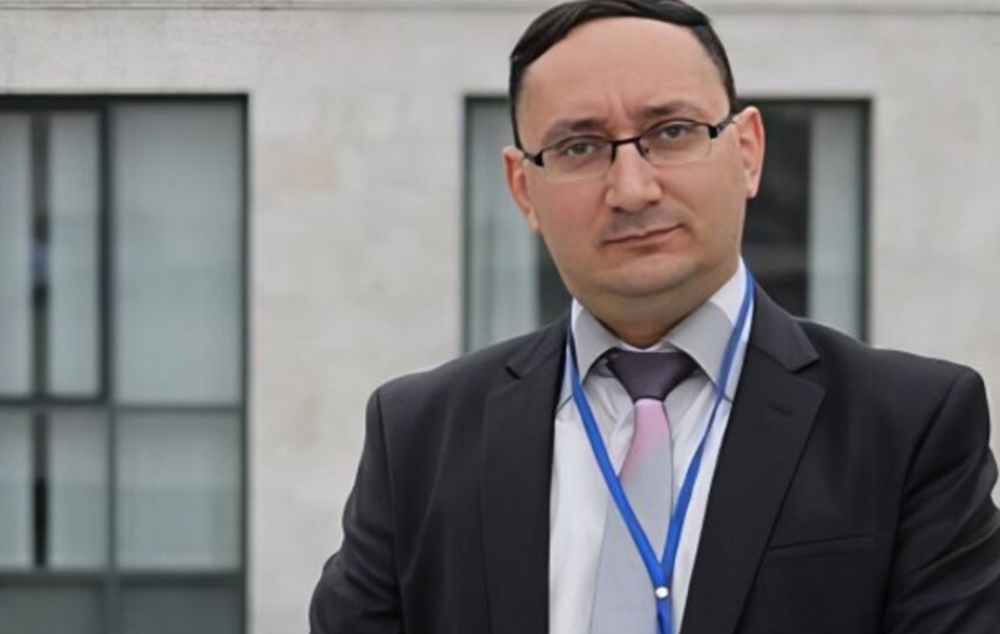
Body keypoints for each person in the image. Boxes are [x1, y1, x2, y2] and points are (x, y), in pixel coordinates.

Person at [309, 0, 1000, 632]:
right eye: (579, 147)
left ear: (747, 151)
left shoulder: (908, 427)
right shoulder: (419, 438)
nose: (632, 189)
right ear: (524, 189)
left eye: (671, 132)